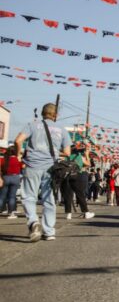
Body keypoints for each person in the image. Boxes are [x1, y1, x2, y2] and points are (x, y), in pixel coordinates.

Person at [14, 103, 72, 242]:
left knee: (29, 196)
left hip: (32, 165)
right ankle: (49, 231)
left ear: (42, 113)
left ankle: (34, 222)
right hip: (51, 168)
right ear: (55, 115)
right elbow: (67, 152)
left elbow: (18, 141)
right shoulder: (62, 129)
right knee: (49, 198)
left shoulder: (32, 125)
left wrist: (18, 155)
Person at [62, 142, 95, 220]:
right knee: (80, 195)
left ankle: (68, 214)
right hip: (77, 176)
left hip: (66, 176)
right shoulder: (79, 157)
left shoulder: (65, 156)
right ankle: (86, 212)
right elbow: (88, 164)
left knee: (67, 195)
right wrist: (87, 154)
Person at [0, 147, 23, 219]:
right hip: (15, 178)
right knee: (12, 197)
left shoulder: (3, 160)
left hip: (5, 177)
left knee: (2, 196)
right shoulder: (17, 159)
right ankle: (11, 213)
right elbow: (22, 167)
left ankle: (2, 209)